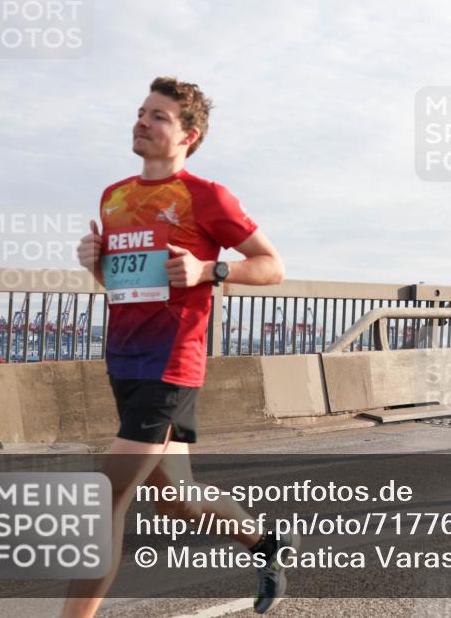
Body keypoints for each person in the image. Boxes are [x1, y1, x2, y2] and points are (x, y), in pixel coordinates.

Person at [68, 77, 293, 617]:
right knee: (177, 499)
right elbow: (119, 286)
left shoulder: (206, 197)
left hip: (172, 361)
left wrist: (209, 269)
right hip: (123, 358)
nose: (142, 122)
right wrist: (95, 262)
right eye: (142, 112)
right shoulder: (115, 196)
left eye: (159, 117)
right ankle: (265, 543)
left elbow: (272, 267)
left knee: (106, 498)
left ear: (189, 135)